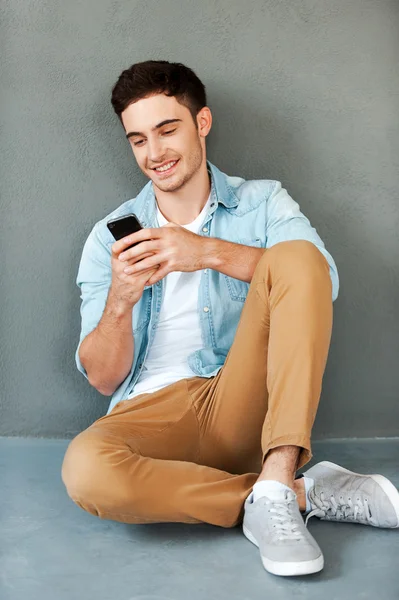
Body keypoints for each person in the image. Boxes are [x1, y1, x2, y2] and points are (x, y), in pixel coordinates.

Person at [62, 60, 399, 577]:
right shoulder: (108, 237)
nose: (154, 154)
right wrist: (120, 301)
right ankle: (293, 495)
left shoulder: (263, 203)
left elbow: (318, 281)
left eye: (167, 129)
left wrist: (208, 253)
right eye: (138, 139)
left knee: (297, 257)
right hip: (152, 412)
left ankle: (279, 468)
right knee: (85, 471)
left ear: (202, 123)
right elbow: (103, 377)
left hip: (237, 397)